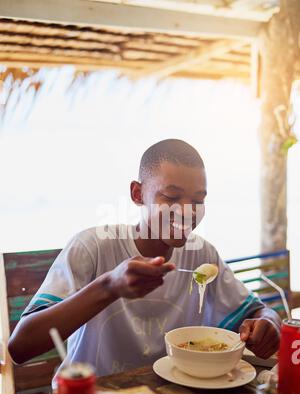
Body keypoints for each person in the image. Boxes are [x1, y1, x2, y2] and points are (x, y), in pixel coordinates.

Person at [8, 139, 281, 376]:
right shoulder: (93, 247)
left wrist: (268, 322)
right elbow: (20, 346)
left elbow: (259, 311)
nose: (188, 211)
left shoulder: (202, 254)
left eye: (198, 200)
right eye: (171, 196)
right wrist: (109, 287)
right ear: (138, 194)